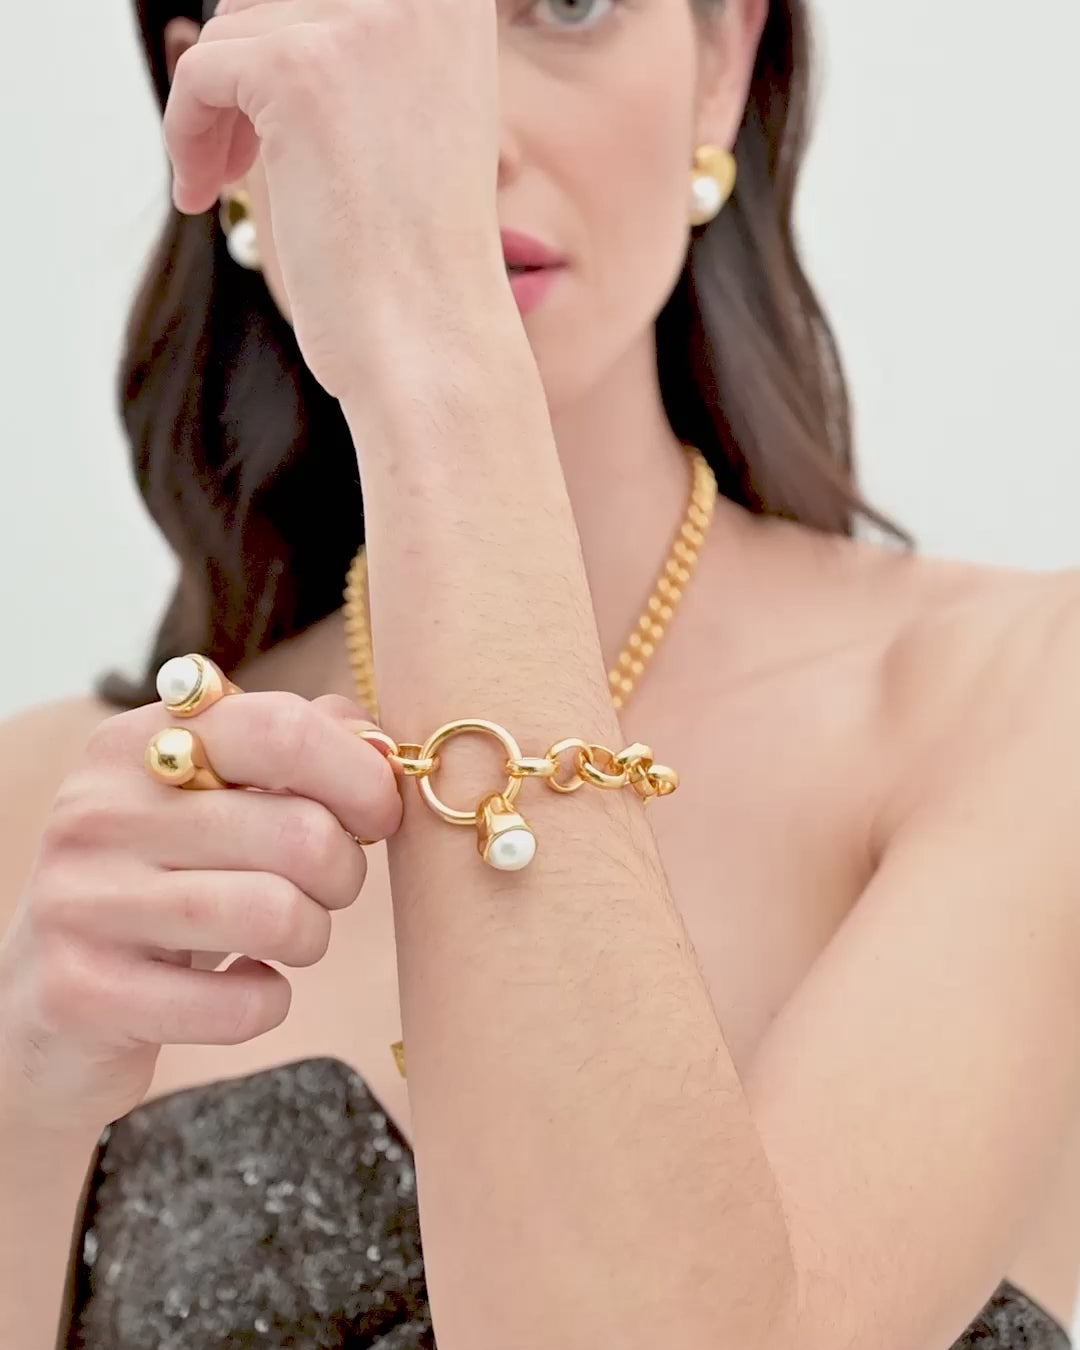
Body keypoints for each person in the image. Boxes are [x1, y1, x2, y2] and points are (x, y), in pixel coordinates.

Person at [1, 0, 1079, 1346]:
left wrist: (435, 360)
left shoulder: (1021, 703)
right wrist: (26, 1109)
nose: (467, 137)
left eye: (568, 3)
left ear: (723, 61)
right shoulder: (51, 822)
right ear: (220, 109)